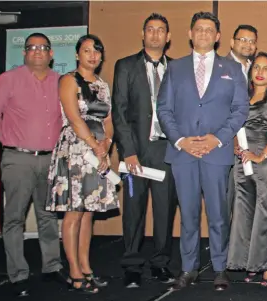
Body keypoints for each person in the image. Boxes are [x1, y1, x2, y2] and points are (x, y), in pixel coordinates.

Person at [156, 11, 250, 292]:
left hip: (216, 152)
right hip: (183, 152)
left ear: (218, 36)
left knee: (218, 214)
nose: (204, 33)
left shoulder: (232, 70)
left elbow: (240, 109)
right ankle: (189, 268)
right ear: (190, 33)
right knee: (189, 214)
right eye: (199, 29)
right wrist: (181, 140)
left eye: (210, 30)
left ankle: (220, 268)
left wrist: (218, 139)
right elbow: (163, 109)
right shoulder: (174, 68)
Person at [0, 32, 68, 297]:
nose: (38, 51)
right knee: (15, 218)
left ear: (51, 54)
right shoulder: (8, 80)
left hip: (50, 159)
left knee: (48, 216)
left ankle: (52, 267)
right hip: (18, 159)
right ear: (25, 53)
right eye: (32, 48)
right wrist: (10, 140)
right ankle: (18, 273)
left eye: (43, 48)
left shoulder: (60, 82)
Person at [47, 34, 119, 294]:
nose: (92, 55)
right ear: (77, 55)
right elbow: (75, 118)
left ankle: (87, 267)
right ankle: (74, 272)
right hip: (76, 149)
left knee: (89, 211)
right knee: (73, 212)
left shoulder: (102, 84)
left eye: (97, 51)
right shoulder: (68, 80)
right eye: (87, 50)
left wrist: (106, 144)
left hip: (98, 150)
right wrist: (94, 144)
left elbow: (109, 118)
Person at [111, 13, 178, 288]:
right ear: (142, 34)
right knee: (134, 209)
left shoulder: (177, 69)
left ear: (168, 37)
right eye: (150, 29)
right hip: (135, 151)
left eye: (160, 30)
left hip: (167, 150)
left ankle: (161, 263)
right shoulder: (125, 66)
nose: (155, 34)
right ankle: (132, 265)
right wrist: (127, 151)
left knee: (165, 210)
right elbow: (120, 111)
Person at [227, 52, 267, 286]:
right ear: (251, 72)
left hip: (266, 160)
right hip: (243, 160)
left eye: (265, 68)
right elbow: (234, 126)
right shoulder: (242, 97)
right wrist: (236, 146)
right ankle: (251, 261)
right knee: (245, 210)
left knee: (266, 211)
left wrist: (261, 155)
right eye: (256, 67)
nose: (260, 71)